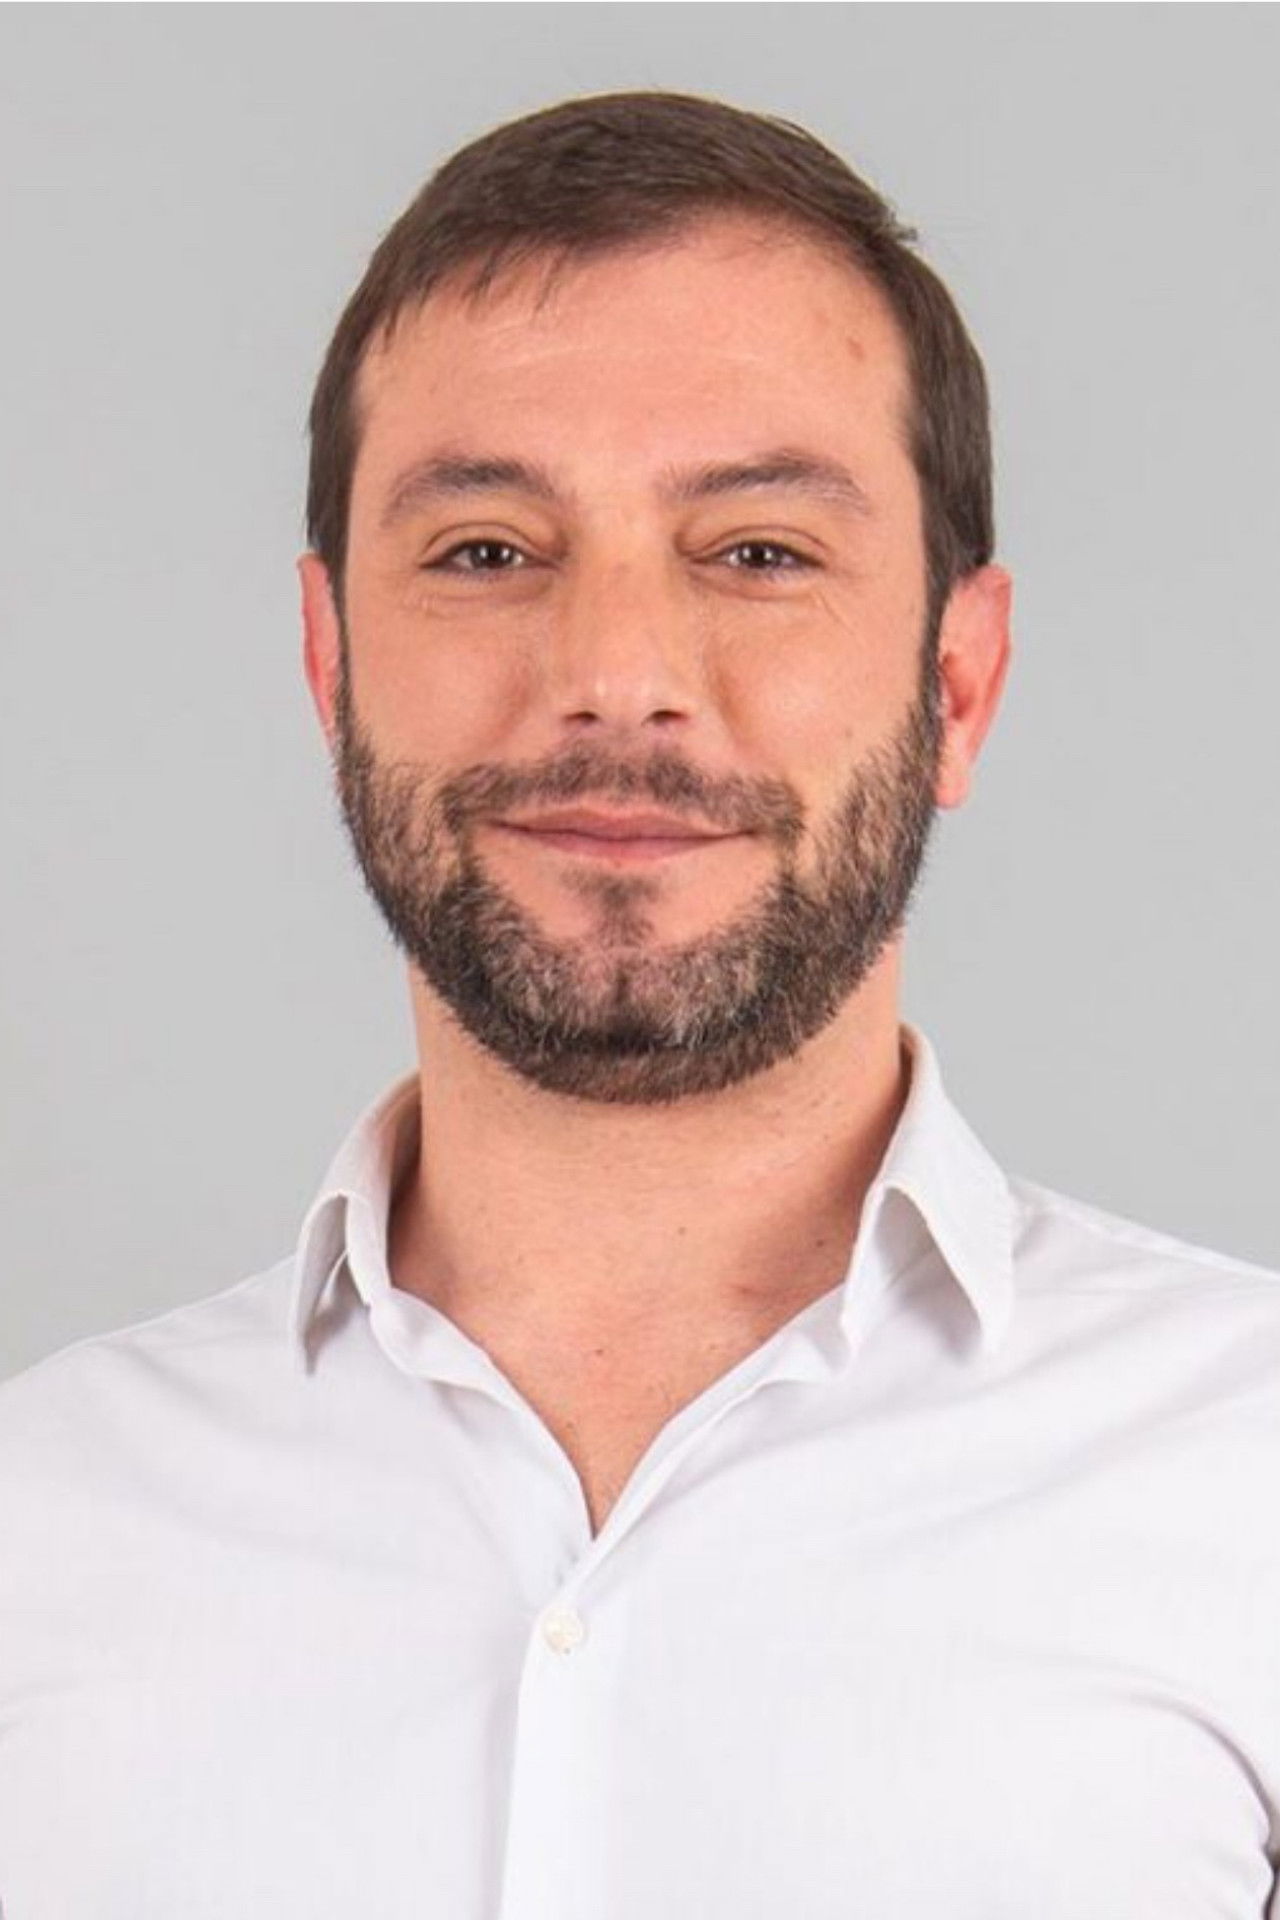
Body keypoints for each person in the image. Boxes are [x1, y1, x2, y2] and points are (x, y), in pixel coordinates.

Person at [1, 88, 1278, 1920]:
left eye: (758, 551)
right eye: (486, 550)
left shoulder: (1249, 1475)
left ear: (959, 683)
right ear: (328, 664)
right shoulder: (38, 1524)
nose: (615, 675)